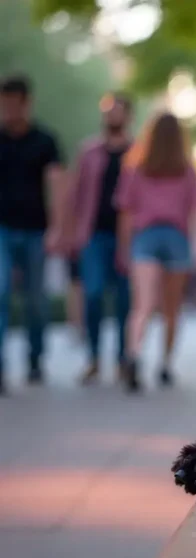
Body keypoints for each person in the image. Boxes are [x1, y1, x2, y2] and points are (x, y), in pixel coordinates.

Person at [116, 112, 196, 392]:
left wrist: (124, 248)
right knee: (171, 309)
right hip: (176, 239)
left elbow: (126, 213)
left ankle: (133, 354)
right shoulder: (186, 169)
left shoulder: (136, 168)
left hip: (145, 237)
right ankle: (165, 365)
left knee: (142, 306)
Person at [0, 75, 66, 393]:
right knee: (0, 292)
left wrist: (56, 228)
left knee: (35, 300)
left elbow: (55, 185)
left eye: (14, 104)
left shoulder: (45, 141)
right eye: (4, 104)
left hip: (35, 231)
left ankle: (35, 359)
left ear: (27, 103)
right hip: (2, 229)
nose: (9, 110)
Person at [67, 92, 133, 384]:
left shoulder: (138, 153)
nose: (111, 116)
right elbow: (75, 194)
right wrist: (69, 232)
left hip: (127, 237)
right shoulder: (89, 151)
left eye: (116, 111)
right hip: (93, 234)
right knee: (92, 294)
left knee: (124, 300)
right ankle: (93, 357)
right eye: (106, 111)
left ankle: (122, 359)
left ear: (127, 115)